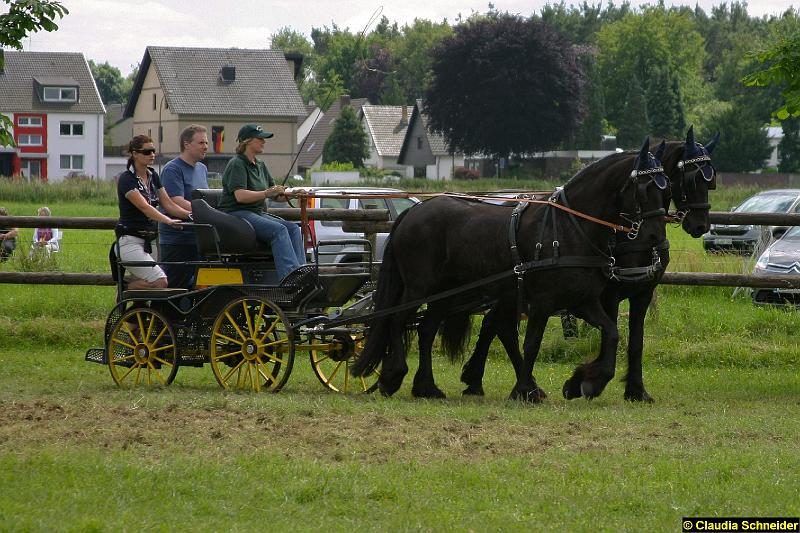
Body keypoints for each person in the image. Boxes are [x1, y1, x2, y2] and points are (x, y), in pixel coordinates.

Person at [218, 124, 305, 281]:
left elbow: (275, 196)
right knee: (278, 230)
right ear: (247, 141)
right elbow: (240, 196)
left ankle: (302, 274)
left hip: (256, 213)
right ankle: (290, 278)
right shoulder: (237, 163)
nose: (264, 142)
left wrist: (292, 194)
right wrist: (267, 193)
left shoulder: (260, 165)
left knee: (293, 229)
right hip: (236, 213)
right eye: (260, 138)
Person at [116, 134, 191, 289]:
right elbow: (145, 207)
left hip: (150, 242)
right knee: (160, 282)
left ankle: (140, 310)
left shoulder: (153, 176)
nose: (152, 155)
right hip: (130, 242)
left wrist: (191, 215)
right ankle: (126, 288)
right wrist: (168, 221)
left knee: (153, 289)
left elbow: (168, 204)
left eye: (153, 151)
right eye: (147, 152)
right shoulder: (126, 179)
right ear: (134, 154)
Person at [158, 124, 209, 289]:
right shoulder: (172, 169)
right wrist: (208, 213)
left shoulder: (202, 169)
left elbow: (203, 198)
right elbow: (175, 200)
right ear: (187, 144)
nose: (206, 147)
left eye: (206, 143)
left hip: (198, 237)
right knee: (175, 285)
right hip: (177, 239)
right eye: (201, 143)